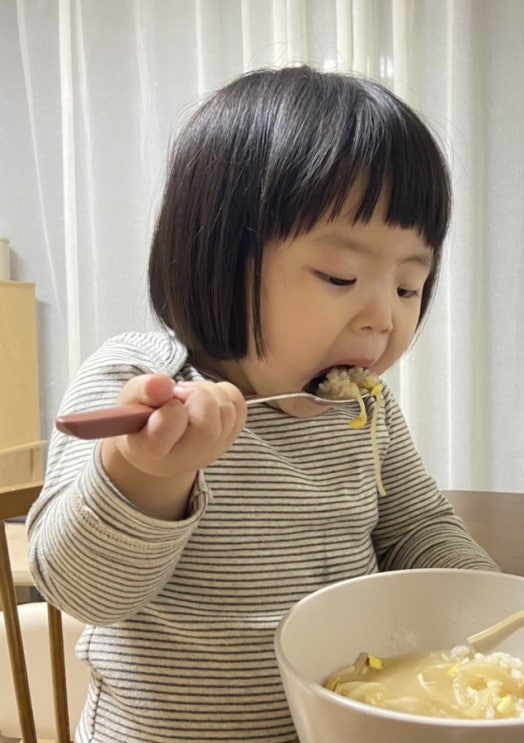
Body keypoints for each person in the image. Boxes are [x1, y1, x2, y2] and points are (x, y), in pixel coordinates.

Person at [28, 65, 499, 743]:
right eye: (341, 275)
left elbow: (414, 527)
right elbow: (83, 592)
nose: (381, 318)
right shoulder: (141, 383)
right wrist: (146, 475)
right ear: (217, 258)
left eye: (408, 285)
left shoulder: (363, 410)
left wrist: (496, 604)